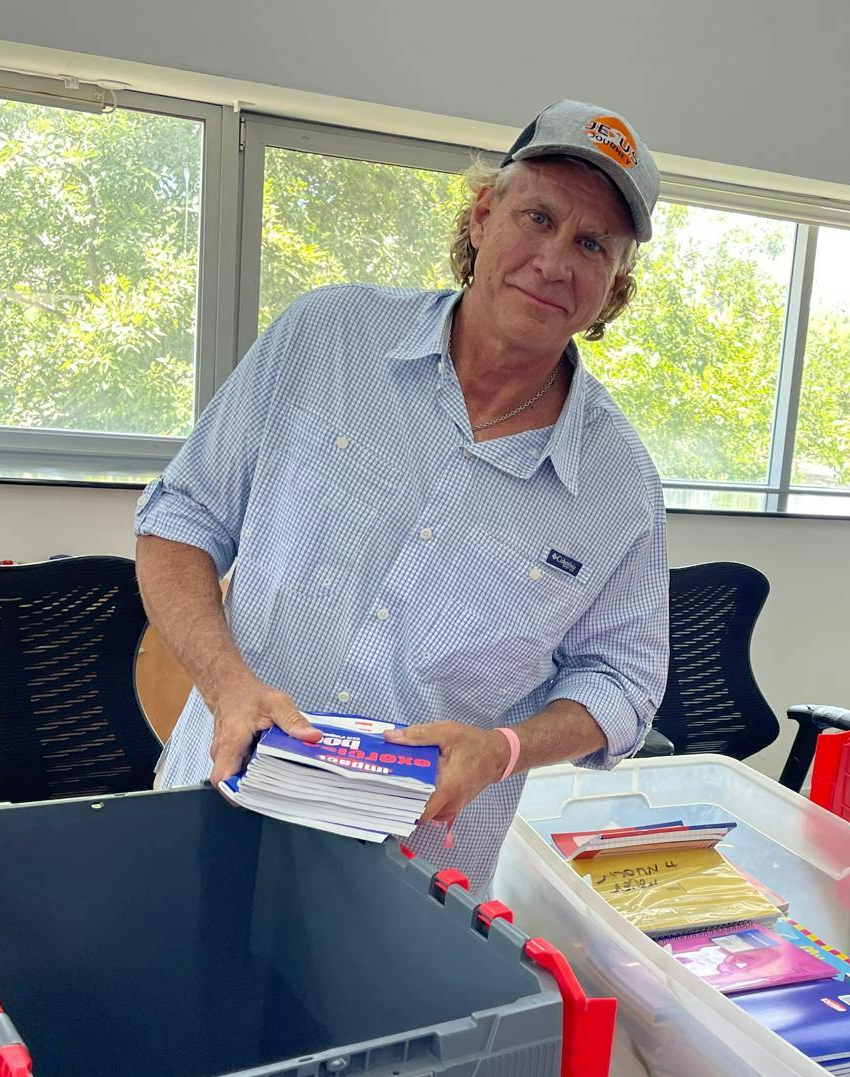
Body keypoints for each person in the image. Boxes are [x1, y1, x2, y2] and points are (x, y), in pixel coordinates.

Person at [134, 100, 670, 889]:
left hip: (411, 874)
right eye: (539, 217)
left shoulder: (621, 485)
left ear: (616, 283)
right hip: (219, 806)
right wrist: (228, 685)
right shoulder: (326, 337)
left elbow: (622, 682)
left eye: (592, 244)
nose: (555, 261)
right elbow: (181, 518)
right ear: (483, 215)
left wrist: (504, 749)